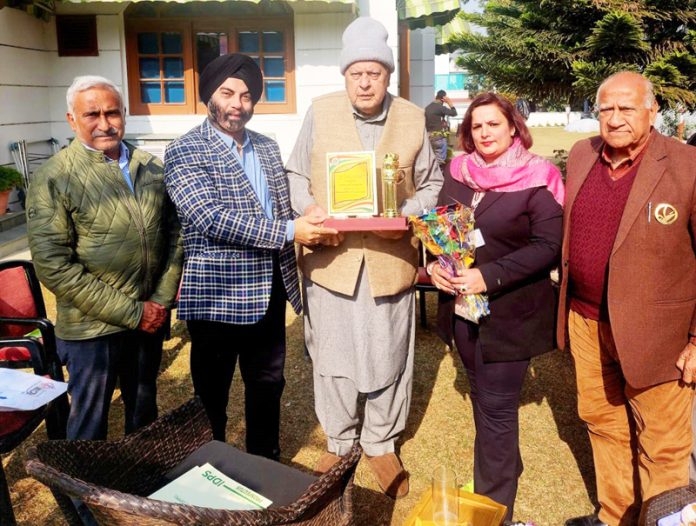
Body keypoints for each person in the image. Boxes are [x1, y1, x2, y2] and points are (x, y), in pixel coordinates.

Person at [286, 16, 443, 499]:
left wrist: (407, 211)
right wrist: (309, 208)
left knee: (388, 354)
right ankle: (338, 440)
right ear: (344, 75)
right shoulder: (320, 111)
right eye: (356, 73)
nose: (365, 81)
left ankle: (380, 443)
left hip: (388, 260)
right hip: (331, 262)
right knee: (332, 355)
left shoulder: (413, 116)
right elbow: (295, 174)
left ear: (388, 75)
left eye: (374, 72)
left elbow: (433, 183)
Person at [26, 75, 182, 525]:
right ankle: (85, 509)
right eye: (91, 114)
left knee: (143, 412)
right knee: (89, 425)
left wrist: (158, 301)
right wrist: (132, 311)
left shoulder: (151, 167)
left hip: (148, 319)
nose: (104, 122)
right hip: (93, 327)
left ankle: (139, 493)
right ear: (72, 119)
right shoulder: (55, 177)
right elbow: (55, 266)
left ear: (125, 114)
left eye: (112, 112)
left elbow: (175, 237)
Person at [164, 54, 334, 461]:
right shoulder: (184, 150)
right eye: (227, 93)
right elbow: (210, 218)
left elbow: (277, 208)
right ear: (209, 96)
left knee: (268, 384)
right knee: (211, 392)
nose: (237, 103)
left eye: (246, 95)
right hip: (217, 296)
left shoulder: (267, 147)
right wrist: (291, 231)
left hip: (271, 290)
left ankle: (264, 462)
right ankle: (211, 466)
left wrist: (303, 215)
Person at [558, 71, 696, 526]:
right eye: (605, 109)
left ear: (652, 111)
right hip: (586, 322)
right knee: (604, 426)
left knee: (663, 445)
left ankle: (663, 520)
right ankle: (617, 516)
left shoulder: (686, 165)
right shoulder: (582, 155)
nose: (614, 119)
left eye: (626, 108)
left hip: (660, 336)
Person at [429, 92, 564, 522]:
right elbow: (442, 228)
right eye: (476, 126)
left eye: (493, 124)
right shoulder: (458, 173)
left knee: (497, 412)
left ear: (513, 128)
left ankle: (494, 511)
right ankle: (499, 478)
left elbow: (549, 246)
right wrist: (434, 266)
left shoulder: (537, 177)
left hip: (510, 316)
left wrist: (490, 275)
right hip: (464, 314)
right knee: (487, 410)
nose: (485, 133)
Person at [425, 89, 457, 164]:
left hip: (429, 136)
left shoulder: (427, 108)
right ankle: (439, 174)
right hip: (438, 137)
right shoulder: (440, 107)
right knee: (440, 161)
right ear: (443, 98)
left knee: (432, 160)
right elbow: (454, 113)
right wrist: (450, 103)